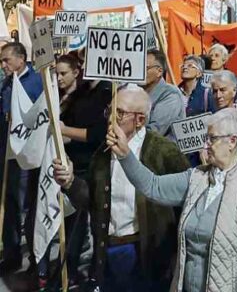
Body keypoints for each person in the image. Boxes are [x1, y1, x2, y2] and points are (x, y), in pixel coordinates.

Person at [107, 104, 237, 292]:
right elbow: (153, 186)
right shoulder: (196, 177)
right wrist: (126, 155)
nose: (205, 144)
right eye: (206, 138)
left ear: (232, 141)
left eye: (212, 139)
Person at [52, 84, 189, 290]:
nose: (110, 118)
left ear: (140, 120)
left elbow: (185, 205)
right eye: (110, 110)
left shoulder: (164, 152)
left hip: (148, 257)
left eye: (120, 113)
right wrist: (70, 182)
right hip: (107, 251)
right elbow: (91, 201)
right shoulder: (103, 151)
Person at [56, 54, 111, 283]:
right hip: (74, 163)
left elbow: (96, 135)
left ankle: (94, 275)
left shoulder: (108, 92)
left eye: (91, 61)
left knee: (93, 223)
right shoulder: (82, 91)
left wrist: (64, 130)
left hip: (94, 166)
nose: (85, 67)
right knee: (73, 222)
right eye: (84, 62)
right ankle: (68, 270)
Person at [0, 41, 43, 274]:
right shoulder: (6, 83)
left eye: (6, 60)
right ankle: (11, 253)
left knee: (25, 205)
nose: (3, 65)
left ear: (21, 58)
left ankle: (37, 260)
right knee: (10, 204)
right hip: (6, 153)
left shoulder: (36, 82)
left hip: (27, 155)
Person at [143, 49, 185, 137]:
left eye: (145, 68)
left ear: (159, 71)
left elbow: (154, 132)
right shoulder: (137, 91)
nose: (140, 72)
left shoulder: (171, 95)